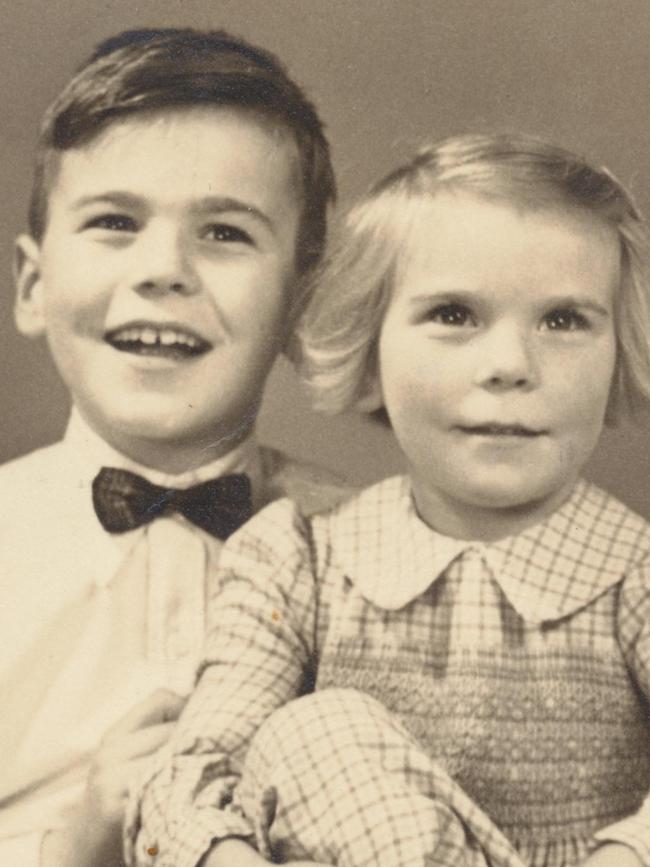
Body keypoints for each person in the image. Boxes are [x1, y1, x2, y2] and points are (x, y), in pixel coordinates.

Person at [127, 132, 650, 867]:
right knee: (315, 734)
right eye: (455, 315)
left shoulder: (636, 576)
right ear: (368, 355)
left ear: (620, 351)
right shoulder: (299, 561)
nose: (509, 365)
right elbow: (189, 771)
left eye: (563, 321)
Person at [0, 26, 347, 867]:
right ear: (34, 286)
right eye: (115, 221)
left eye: (225, 233)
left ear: (302, 307)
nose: (164, 269)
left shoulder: (365, 545)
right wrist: (74, 845)